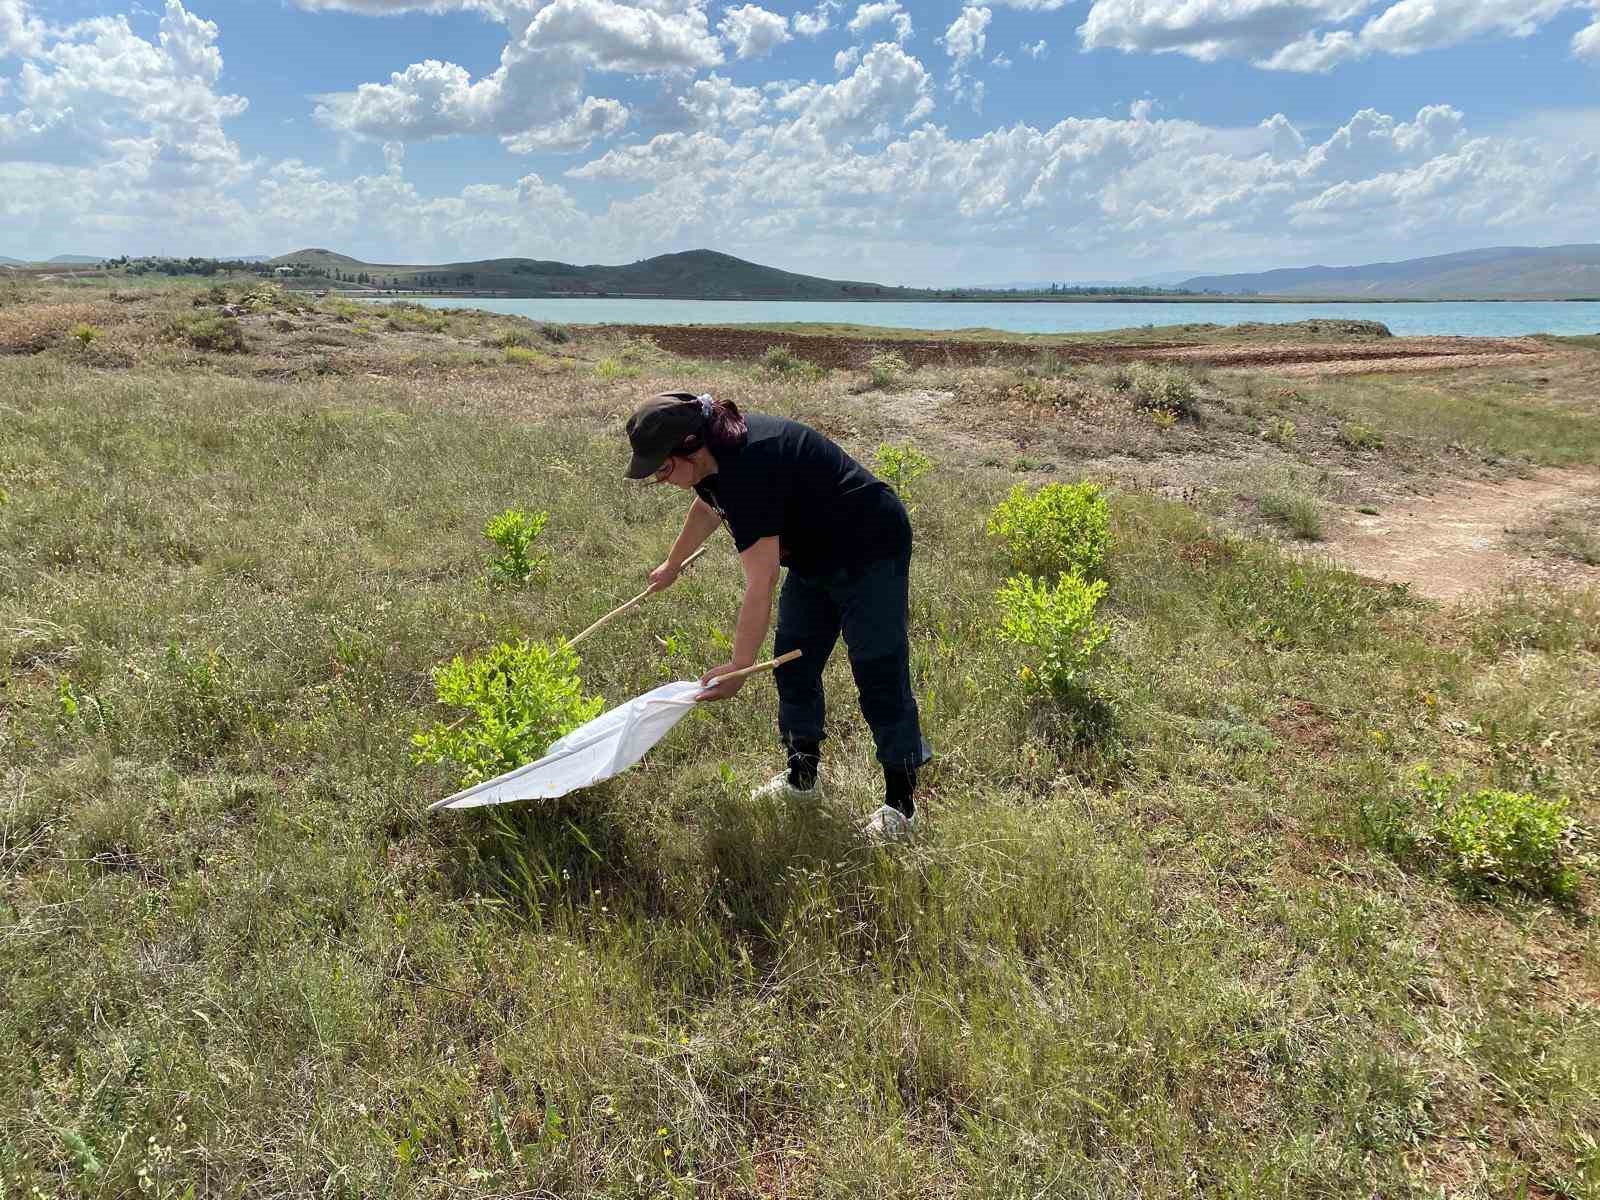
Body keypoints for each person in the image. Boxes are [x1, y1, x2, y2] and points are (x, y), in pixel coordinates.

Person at [623, 391, 930, 837]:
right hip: (814, 554)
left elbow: (761, 581)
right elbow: (710, 505)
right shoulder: (713, 461)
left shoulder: (752, 465)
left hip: (870, 545)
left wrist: (740, 666)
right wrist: (673, 565)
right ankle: (802, 780)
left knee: (877, 668)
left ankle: (902, 808)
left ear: (692, 445)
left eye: (664, 469)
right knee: (794, 663)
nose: (662, 480)